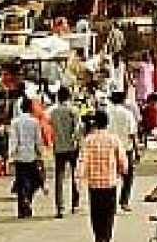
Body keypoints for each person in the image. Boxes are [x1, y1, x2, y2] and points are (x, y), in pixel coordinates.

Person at [77, 111, 127, 242]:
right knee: (109, 214)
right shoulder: (113, 139)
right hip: (110, 183)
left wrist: (79, 180)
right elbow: (122, 160)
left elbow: (82, 161)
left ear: (95, 123)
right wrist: (123, 172)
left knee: (96, 213)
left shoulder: (88, 140)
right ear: (107, 123)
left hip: (94, 185)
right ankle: (106, 237)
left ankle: (99, 237)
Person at [8, 95, 46, 219]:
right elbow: (38, 140)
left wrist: (11, 155)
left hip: (19, 156)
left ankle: (22, 209)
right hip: (31, 156)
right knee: (33, 181)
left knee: (21, 182)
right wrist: (40, 153)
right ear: (30, 108)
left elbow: (13, 140)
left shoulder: (15, 122)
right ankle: (28, 200)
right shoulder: (34, 122)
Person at [49, 90, 84, 218]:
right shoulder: (73, 110)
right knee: (76, 175)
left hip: (58, 147)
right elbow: (77, 129)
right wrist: (77, 142)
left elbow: (51, 129)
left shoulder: (53, 112)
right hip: (72, 147)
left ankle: (60, 207)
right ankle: (75, 204)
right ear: (69, 97)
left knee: (59, 177)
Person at [106, 91, 140, 212]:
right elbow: (132, 134)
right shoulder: (127, 114)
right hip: (126, 149)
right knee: (128, 177)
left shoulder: (107, 113)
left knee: (112, 177)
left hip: (110, 149)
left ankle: (112, 202)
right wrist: (137, 150)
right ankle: (124, 201)